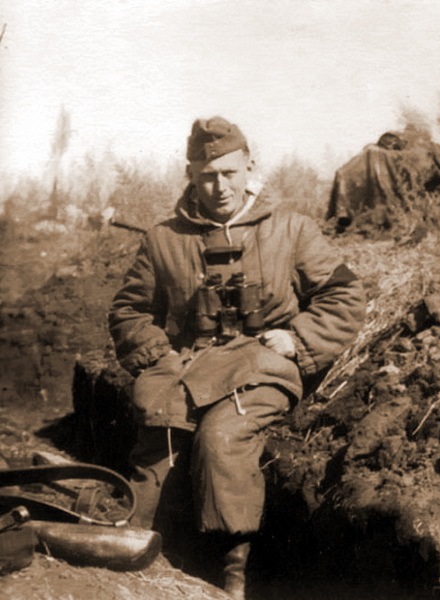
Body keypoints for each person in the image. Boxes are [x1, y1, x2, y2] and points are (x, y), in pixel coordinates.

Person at [108, 117, 366, 598]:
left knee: (222, 436)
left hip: (263, 366)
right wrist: (156, 353)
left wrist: (300, 338)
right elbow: (130, 310)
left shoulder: (291, 228)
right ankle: (137, 563)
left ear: (250, 167)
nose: (220, 186)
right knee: (161, 434)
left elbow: (344, 295)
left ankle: (230, 576)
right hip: (187, 366)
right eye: (207, 176)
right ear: (190, 175)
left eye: (229, 173)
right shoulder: (163, 238)